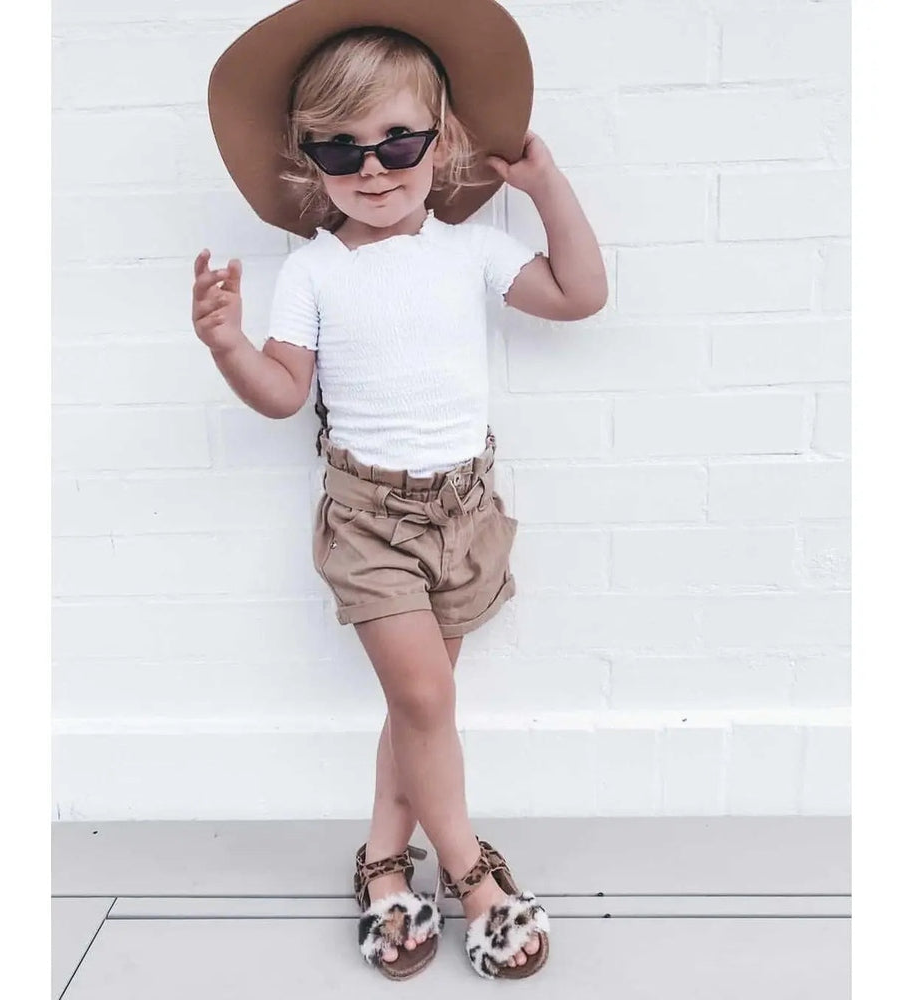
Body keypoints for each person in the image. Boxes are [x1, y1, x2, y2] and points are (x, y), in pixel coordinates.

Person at [192, 0, 607, 981]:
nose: (372, 168)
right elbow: (284, 393)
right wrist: (228, 347)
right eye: (341, 152)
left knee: (420, 708)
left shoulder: (469, 249)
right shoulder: (315, 270)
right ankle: (471, 871)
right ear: (308, 162)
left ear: (444, 139)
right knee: (424, 696)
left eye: (397, 140)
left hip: (463, 508)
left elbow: (579, 293)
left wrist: (547, 188)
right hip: (371, 516)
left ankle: (383, 866)